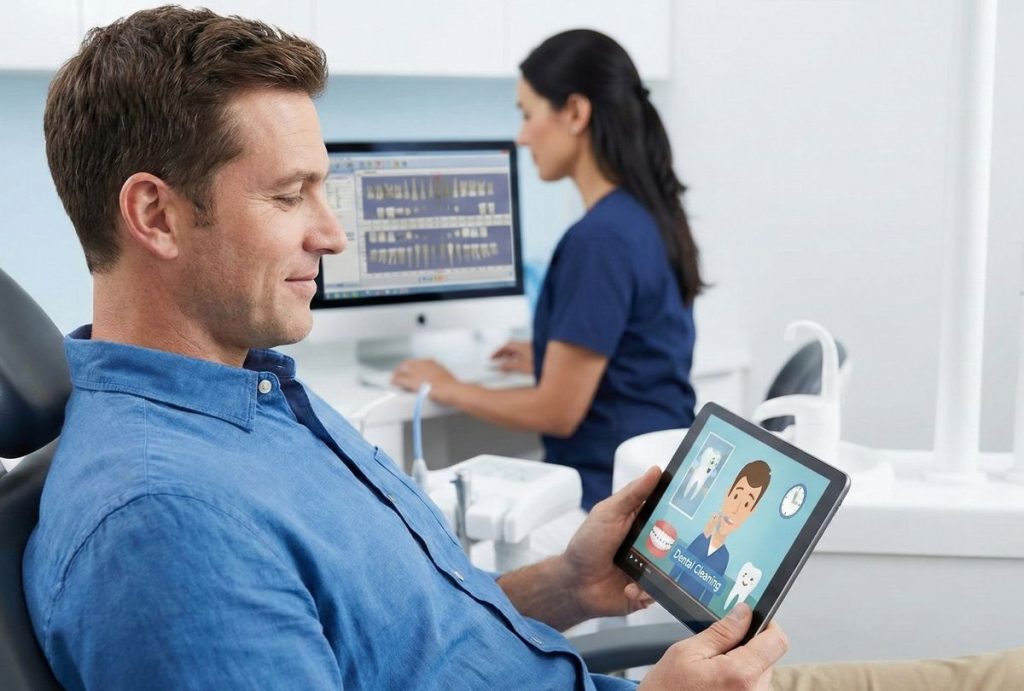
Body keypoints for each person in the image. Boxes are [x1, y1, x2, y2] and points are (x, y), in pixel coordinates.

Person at [21, 7, 788, 689]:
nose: (333, 234)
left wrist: (566, 583)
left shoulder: (256, 394)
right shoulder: (165, 526)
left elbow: (411, 640)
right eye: (289, 195)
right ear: (156, 215)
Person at [392, 30, 701, 510]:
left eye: (527, 114)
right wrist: (551, 358)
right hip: (656, 485)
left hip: (605, 500)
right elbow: (640, 356)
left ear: (575, 112)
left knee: (452, 534)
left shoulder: (599, 239)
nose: (521, 136)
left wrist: (450, 387)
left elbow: (557, 412)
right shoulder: (644, 215)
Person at [669, 461, 771, 605]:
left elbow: (709, 594)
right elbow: (678, 567)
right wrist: (706, 534)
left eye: (746, 504)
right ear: (727, 493)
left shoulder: (724, 557)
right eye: (736, 496)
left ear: (751, 511)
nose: (735, 509)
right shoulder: (702, 539)